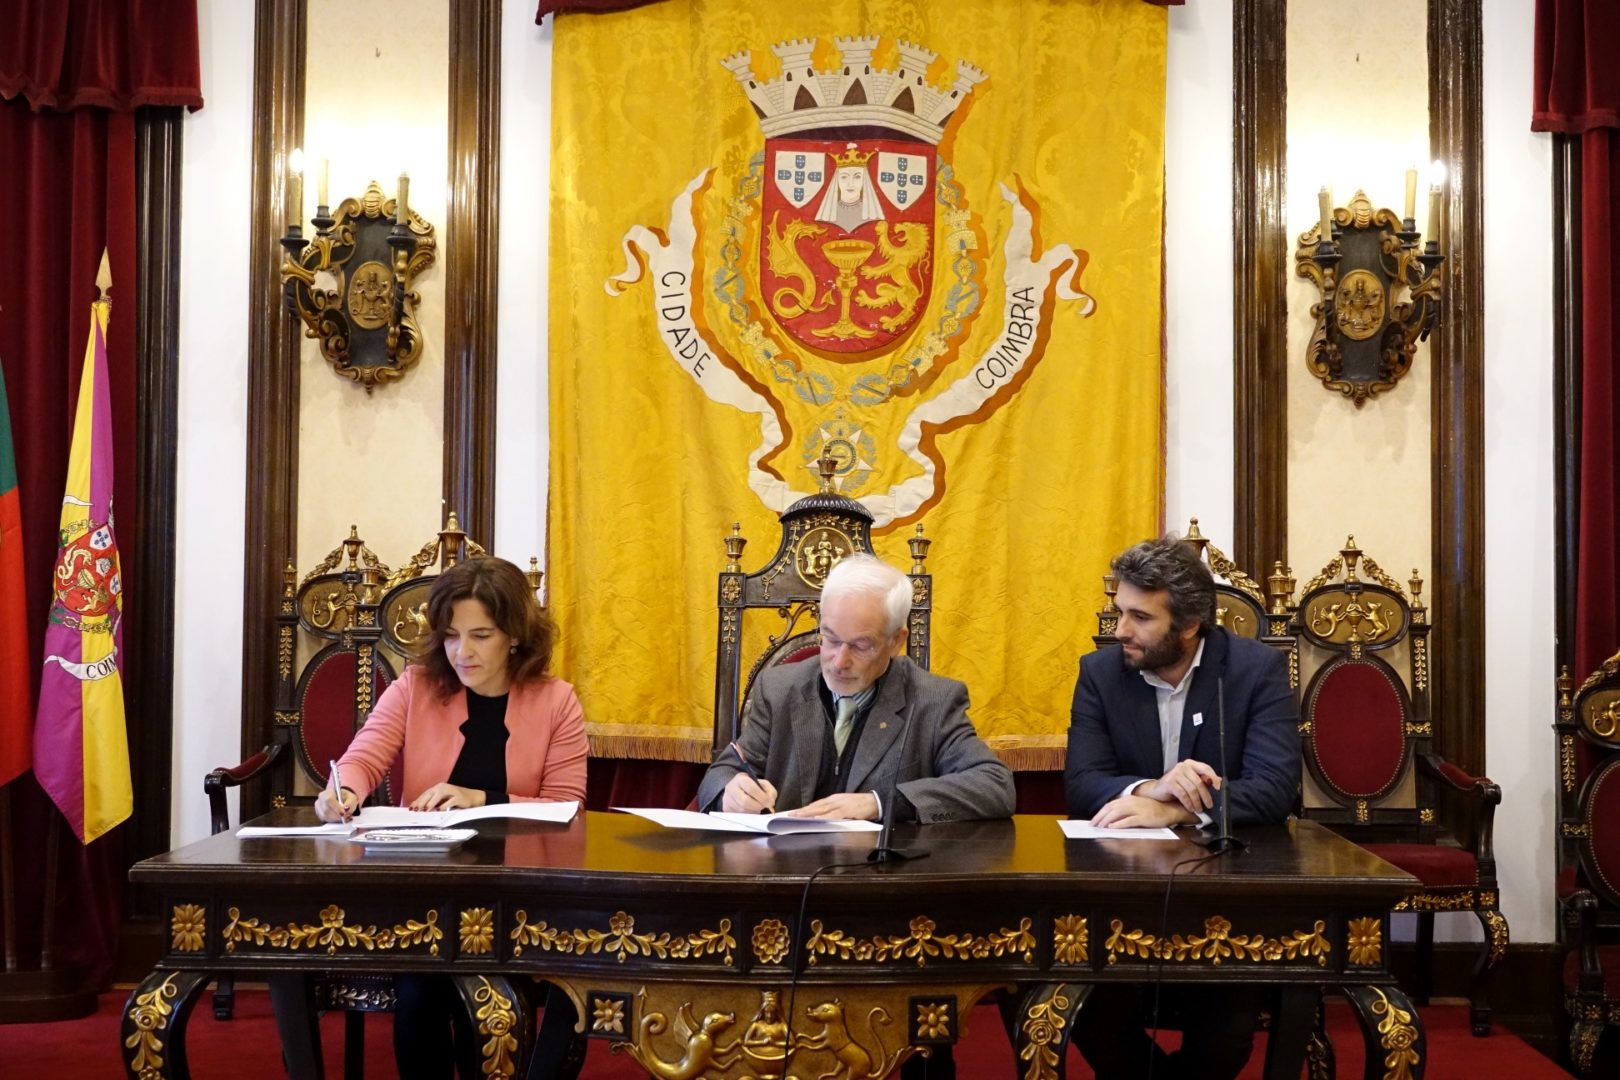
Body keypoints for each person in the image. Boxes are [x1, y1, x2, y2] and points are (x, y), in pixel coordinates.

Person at [698, 553, 1013, 1080]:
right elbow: (725, 768)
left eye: (860, 646)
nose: (837, 660)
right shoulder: (780, 688)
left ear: (896, 641)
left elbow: (995, 785)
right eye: (829, 638)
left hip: (883, 911)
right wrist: (729, 790)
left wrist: (879, 803)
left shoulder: (933, 701)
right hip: (779, 898)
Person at [316, 555, 589, 1080]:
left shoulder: (557, 701)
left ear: (515, 635)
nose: (462, 652)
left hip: (522, 892)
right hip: (427, 888)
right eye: (450, 636)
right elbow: (364, 757)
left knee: (487, 986)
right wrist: (341, 791)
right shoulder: (415, 686)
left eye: (480, 635)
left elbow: (568, 809)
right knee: (422, 984)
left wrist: (480, 799)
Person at [1064, 536, 1299, 1079]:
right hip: (1121, 892)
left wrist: (1177, 812)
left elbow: (1274, 788)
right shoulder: (1100, 673)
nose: (1120, 629)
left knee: (1225, 1032)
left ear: (1189, 624)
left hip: (1226, 894)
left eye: (1140, 617)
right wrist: (1151, 789)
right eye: (1120, 610)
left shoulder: (1255, 670)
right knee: (1086, 1005)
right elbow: (1082, 783)